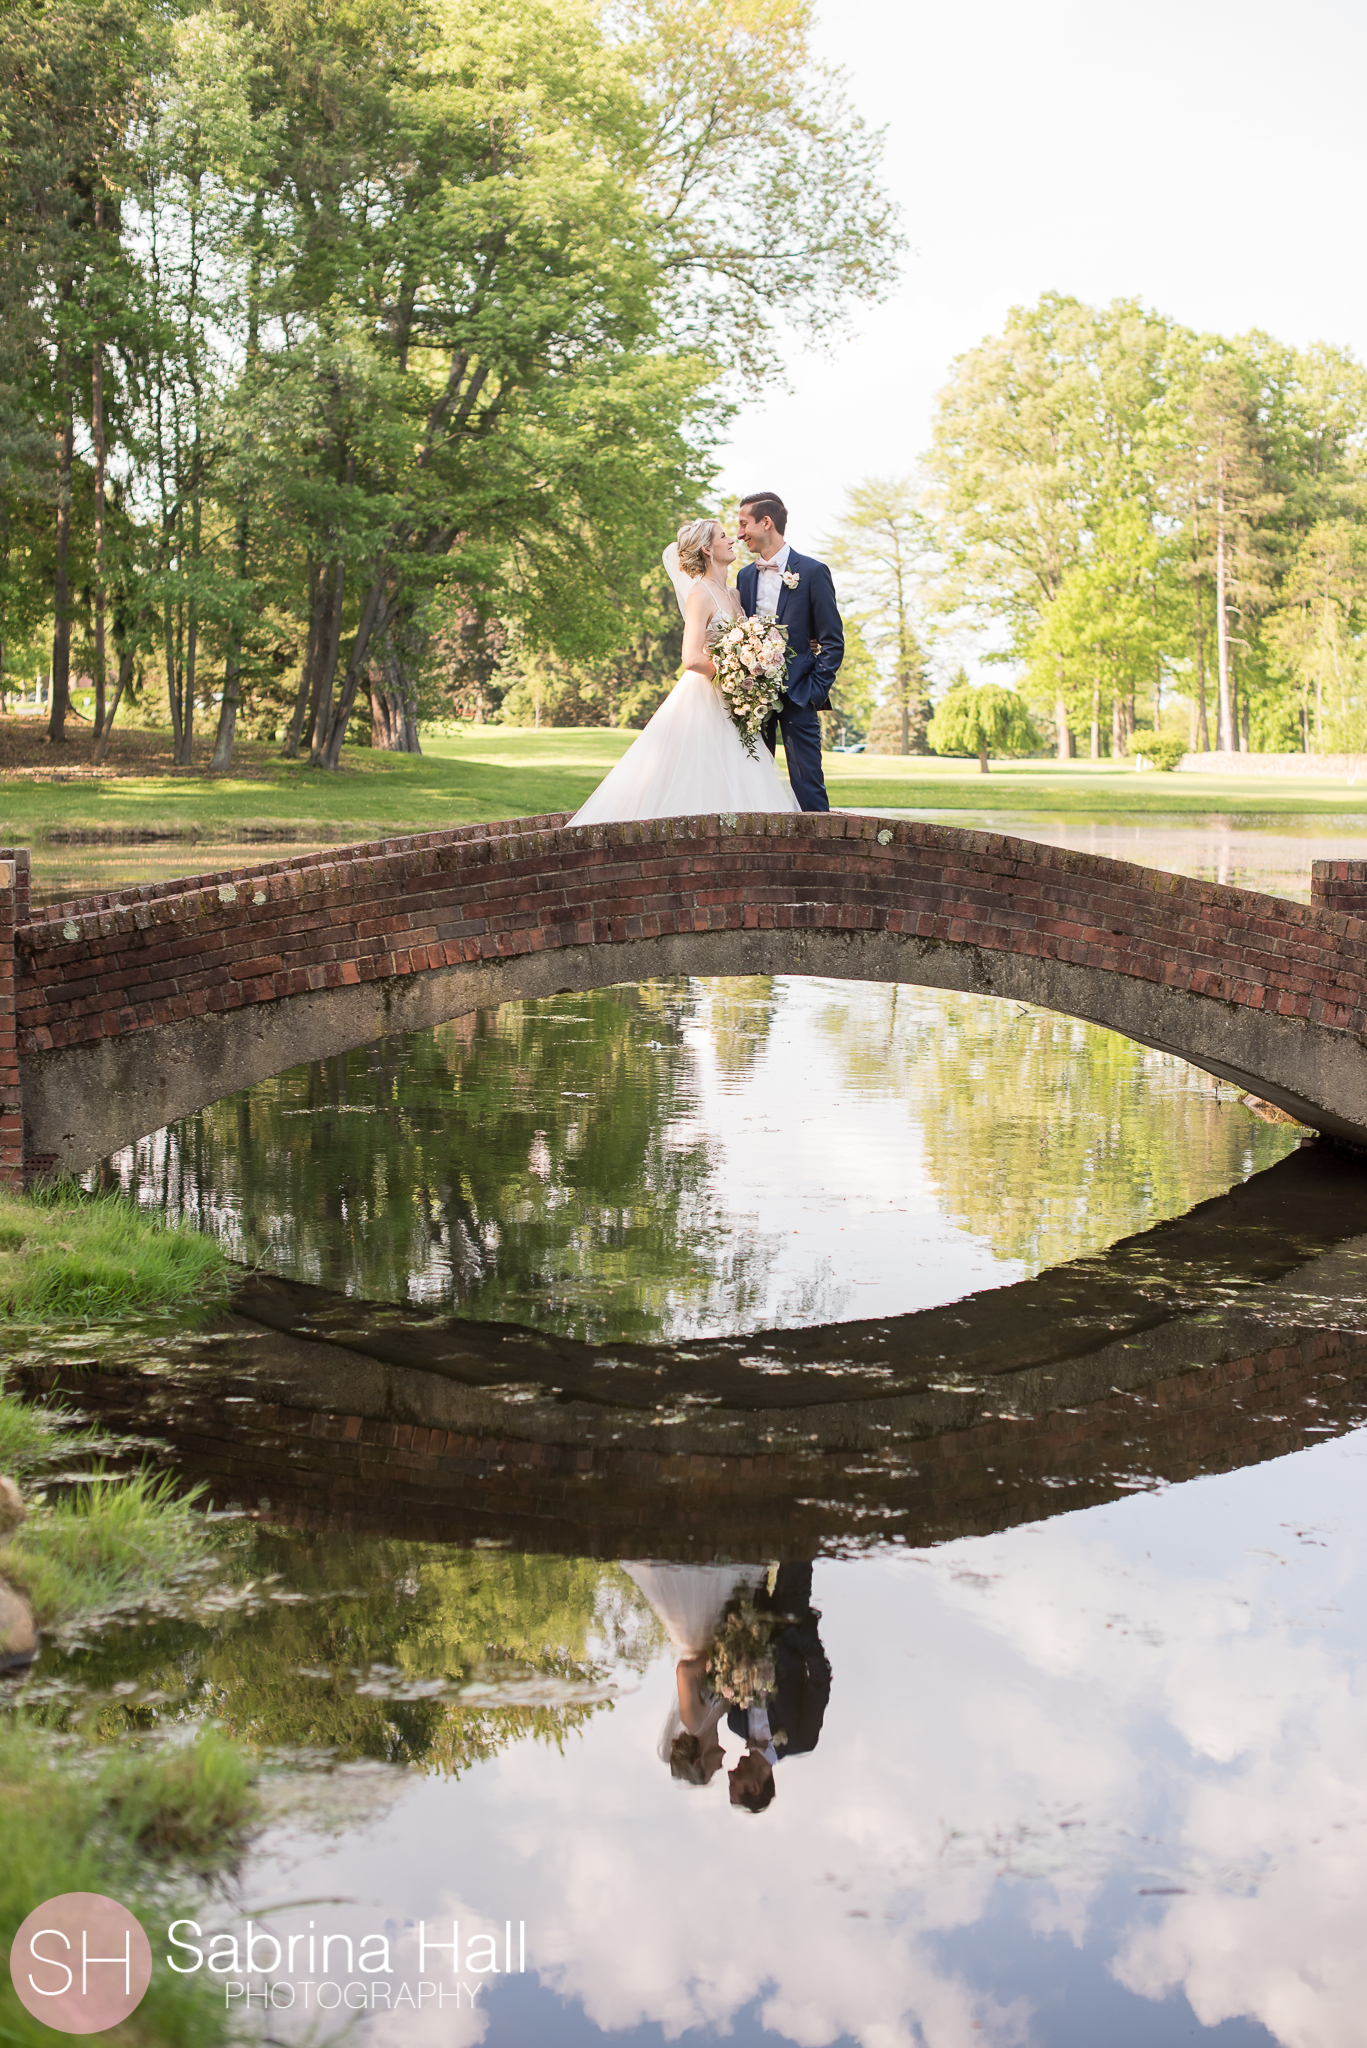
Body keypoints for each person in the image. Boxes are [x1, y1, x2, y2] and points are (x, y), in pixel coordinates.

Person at [568, 518, 799, 825]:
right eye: (723, 536)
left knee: (736, 772)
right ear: (707, 548)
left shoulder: (734, 594)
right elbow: (691, 658)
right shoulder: (699, 594)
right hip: (706, 696)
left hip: (733, 700)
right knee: (700, 773)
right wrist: (733, 671)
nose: (732, 540)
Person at [735, 492, 844, 815]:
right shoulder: (744, 576)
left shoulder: (812, 572)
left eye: (744, 524)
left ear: (766, 523)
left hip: (800, 695)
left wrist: (814, 691)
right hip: (753, 699)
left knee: (808, 783)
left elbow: (833, 640)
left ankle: (821, 855)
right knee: (753, 780)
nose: (740, 534)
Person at [620, 1559, 768, 1786]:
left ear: (698, 1762)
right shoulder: (717, 1720)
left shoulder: (693, 1722)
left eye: (711, 1773)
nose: (720, 1768)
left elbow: (685, 1670)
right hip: (718, 1637)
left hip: (701, 1632)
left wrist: (720, 1660)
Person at [726, 1562, 831, 1815]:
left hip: (750, 1616)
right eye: (734, 1784)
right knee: (798, 1548)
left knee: (747, 1551)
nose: (730, 1774)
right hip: (790, 1619)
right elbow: (820, 1683)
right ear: (754, 1787)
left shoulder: (735, 1723)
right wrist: (805, 1633)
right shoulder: (801, 1740)